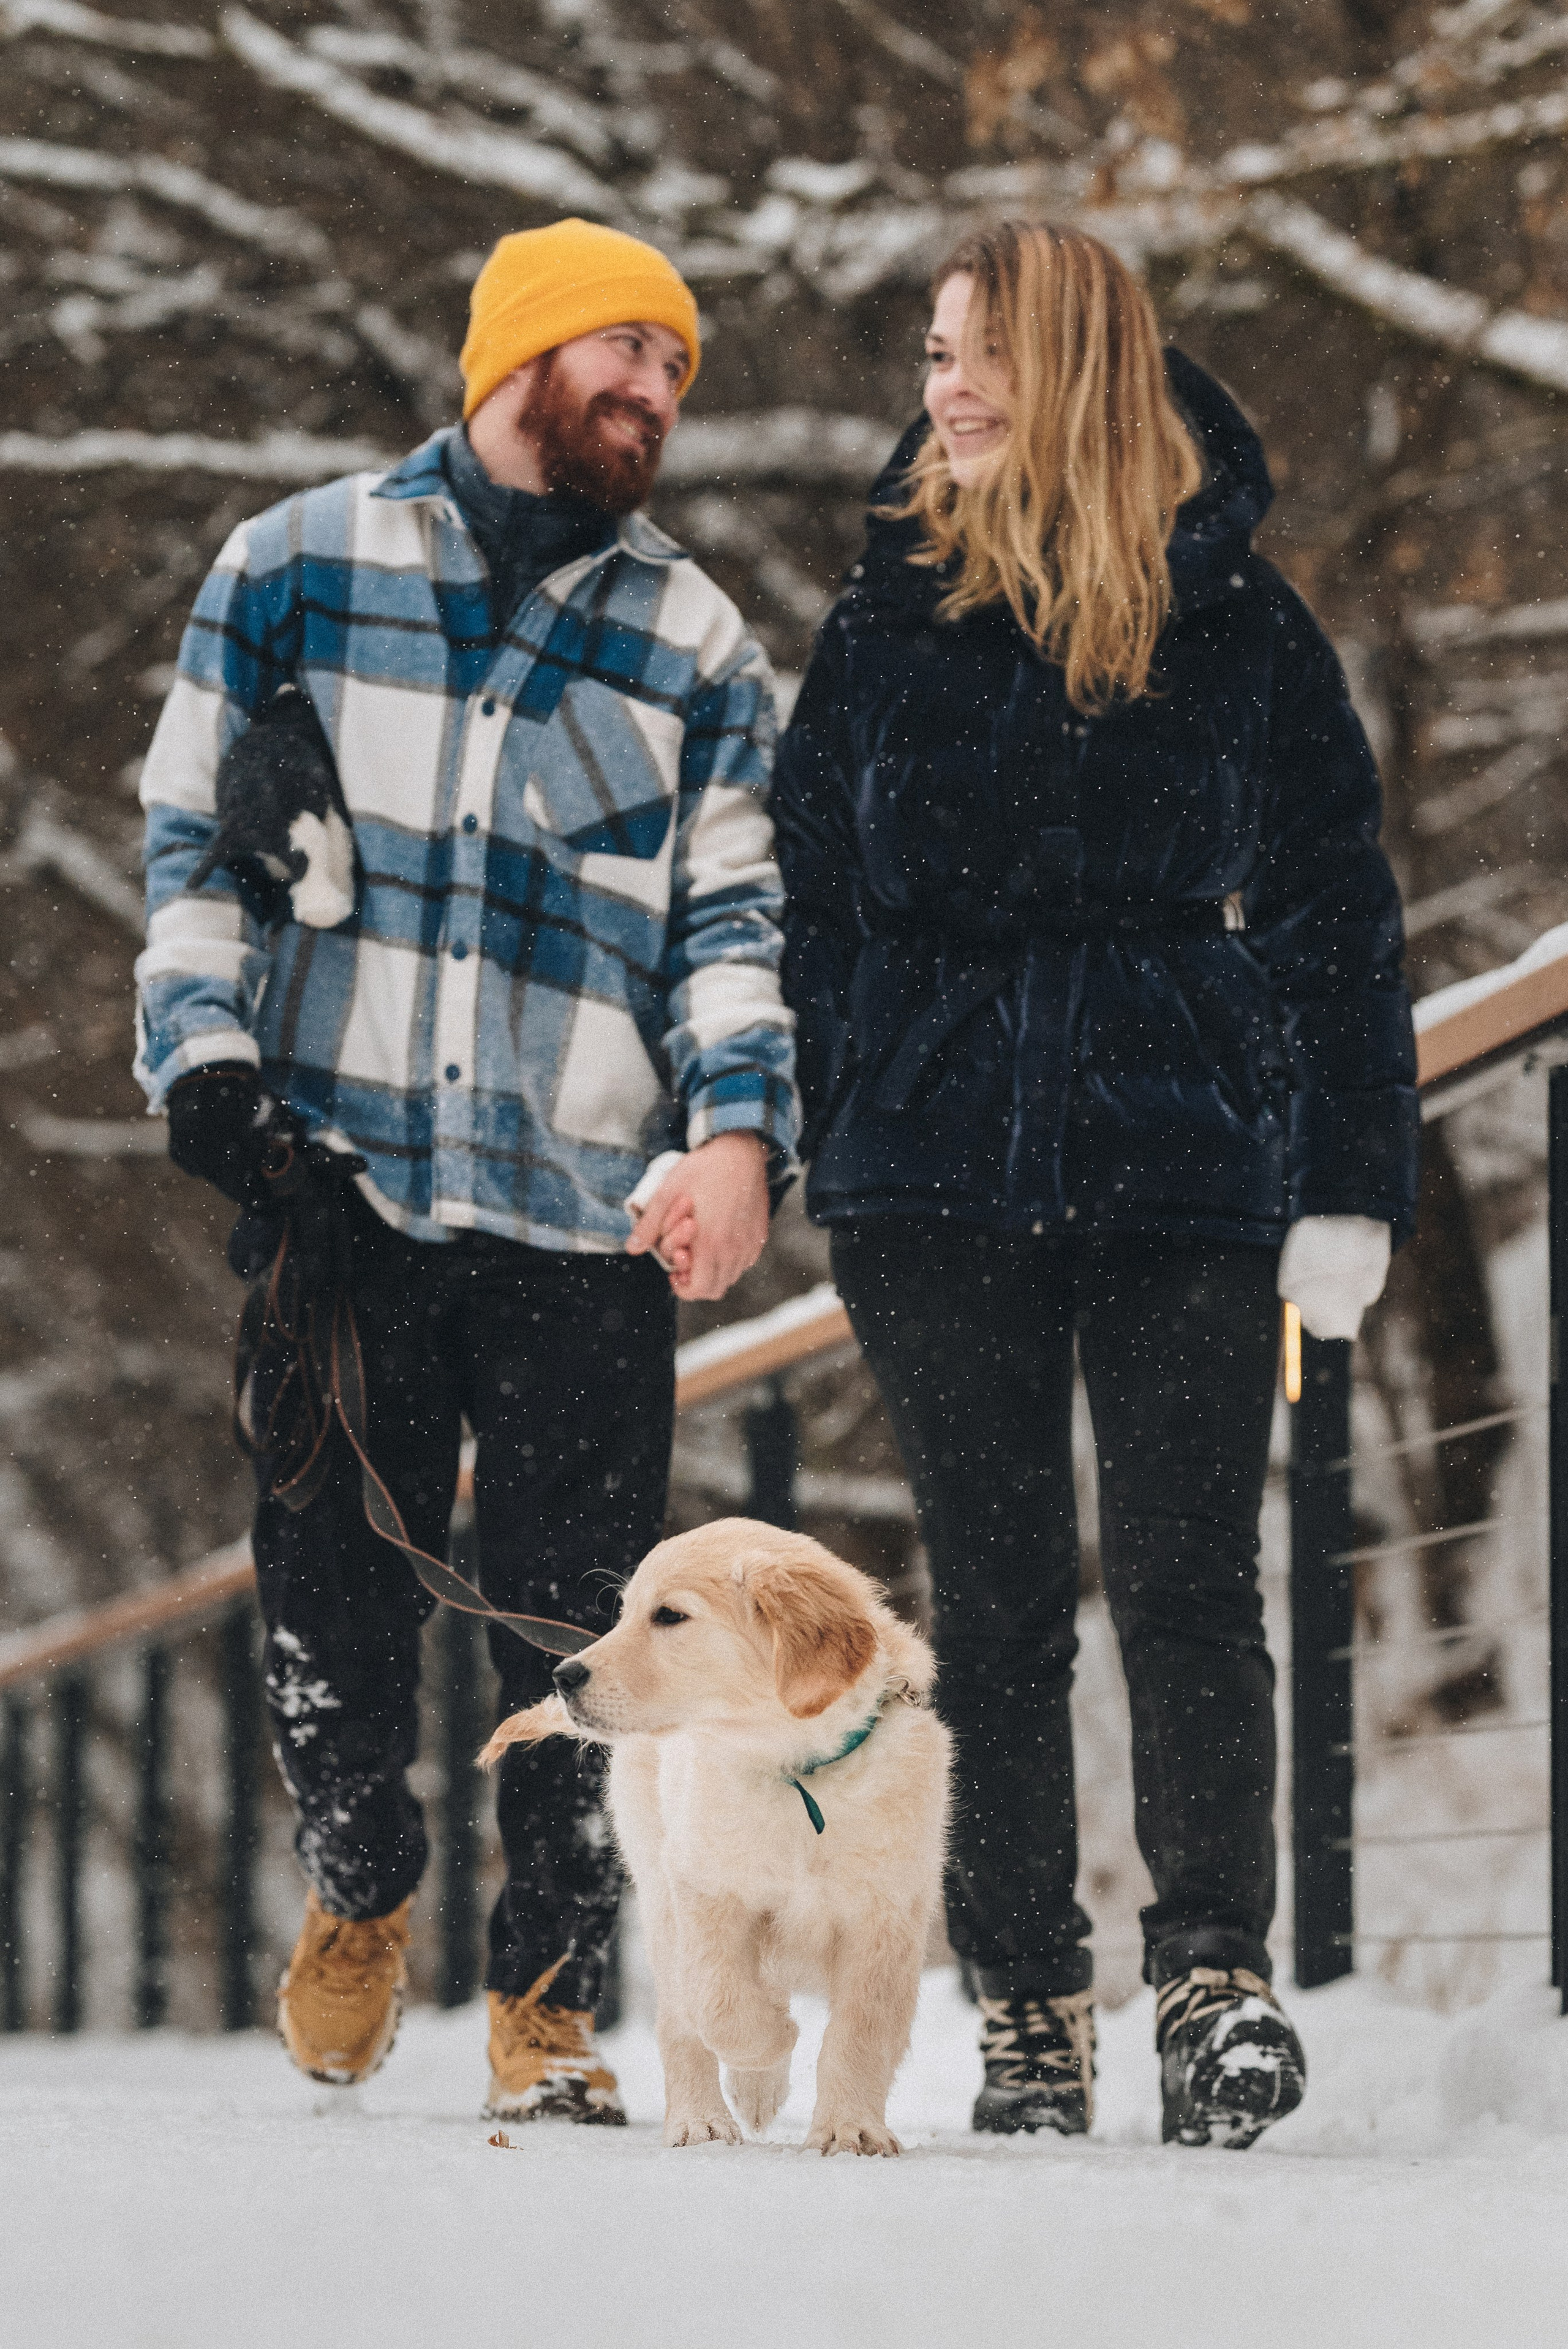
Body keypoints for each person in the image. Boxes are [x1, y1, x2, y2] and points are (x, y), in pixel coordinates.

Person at [135, 217, 797, 2121]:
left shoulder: (692, 644)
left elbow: (733, 920)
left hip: (582, 1214)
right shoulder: (292, 571)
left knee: (588, 1625)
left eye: (678, 368)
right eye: (629, 356)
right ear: (520, 358)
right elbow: (188, 837)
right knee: (328, 1597)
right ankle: (361, 1876)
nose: (659, 394)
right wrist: (208, 1057)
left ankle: (551, 1996)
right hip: (338, 1187)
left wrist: (738, 1127)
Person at [771, 221, 1417, 2149]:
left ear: (1077, 370)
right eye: (931, 351)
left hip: (1186, 1163)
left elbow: (1336, 910)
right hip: (934, 1175)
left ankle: (1213, 1975)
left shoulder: (1243, 623)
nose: (941, 387)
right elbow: (807, 886)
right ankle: (1029, 1999)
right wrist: (835, 1094)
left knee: (1190, 1576)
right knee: (992, 1598)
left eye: (978, 354)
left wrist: (1350, 1177)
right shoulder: (888, 614)